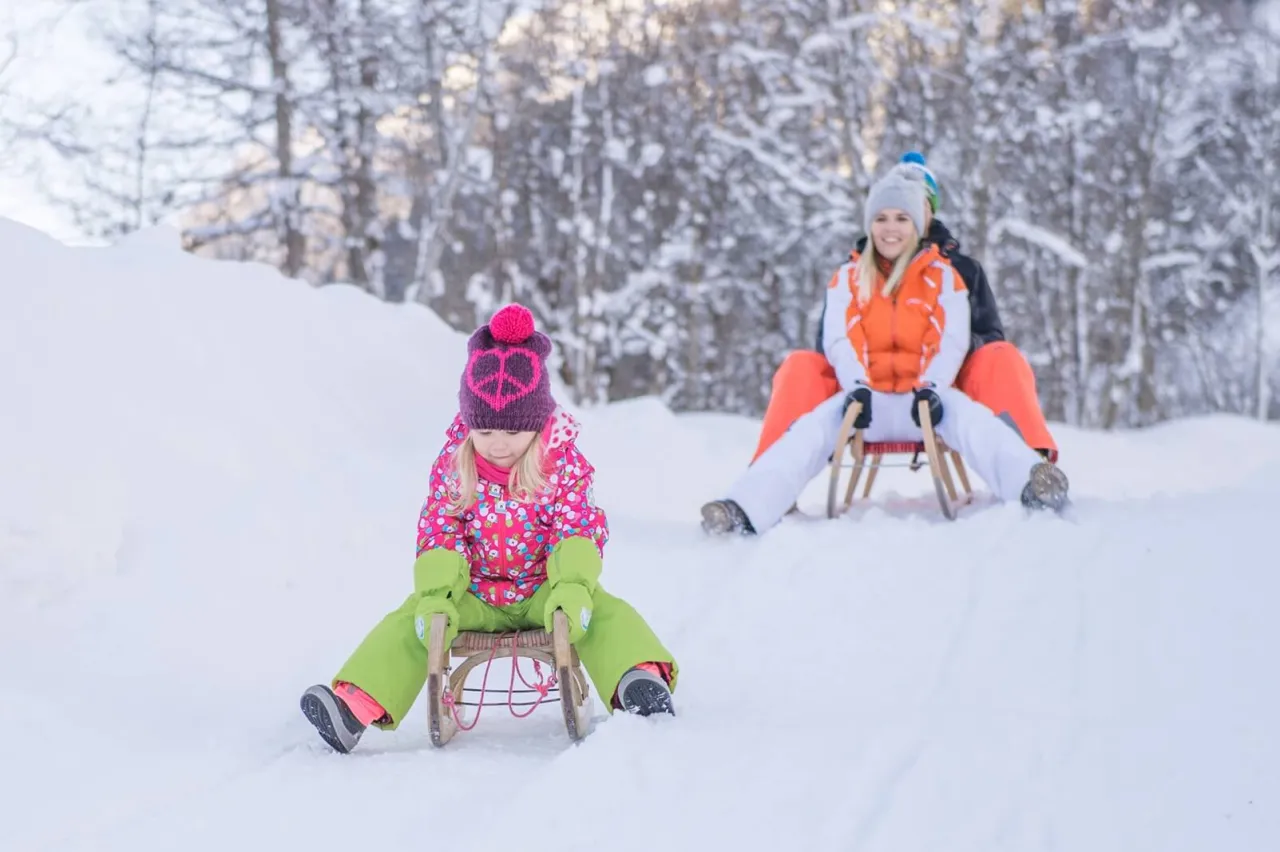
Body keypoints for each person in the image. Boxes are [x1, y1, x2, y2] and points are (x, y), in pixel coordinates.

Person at [300, 304, 678, 753]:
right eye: (485, 431)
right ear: (469, 424)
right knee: (411, 623)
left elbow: (576, 528)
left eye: (512, 432)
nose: (498, 443)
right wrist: (438, 595)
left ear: (537, 424)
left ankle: (637, 681)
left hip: (546, 593)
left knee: (603, 613)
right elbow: (440, 530)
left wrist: (571, 588)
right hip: (474, 596)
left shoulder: (563, 466)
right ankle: (354, 706)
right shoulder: (454, 467)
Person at [701, 169, 1069, 535]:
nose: (890, 228)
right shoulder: (848, 277)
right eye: (880, 218)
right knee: (807, 435)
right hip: (864, 401)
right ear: (869, 224)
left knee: (975, 425)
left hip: (926, 401)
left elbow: (951, 339)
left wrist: (934, 387)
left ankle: (1031, 483)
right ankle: (744, 508)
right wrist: (856, 386)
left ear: (918, 224)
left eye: (901, 218)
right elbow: (838, 338)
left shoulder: (943, 277)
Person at [749, 151, 1059, 469]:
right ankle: (768, 473)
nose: (897, 222)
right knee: (801, 365)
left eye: (917, 206)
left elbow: (988, 334)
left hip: (945, 384)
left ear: (929, 211)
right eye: (885, 215)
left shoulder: (960, 270)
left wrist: (945, 359)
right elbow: (830, 342)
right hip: (867, 389)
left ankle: (1031, 464)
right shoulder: (854, 273)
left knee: (1002, 357)